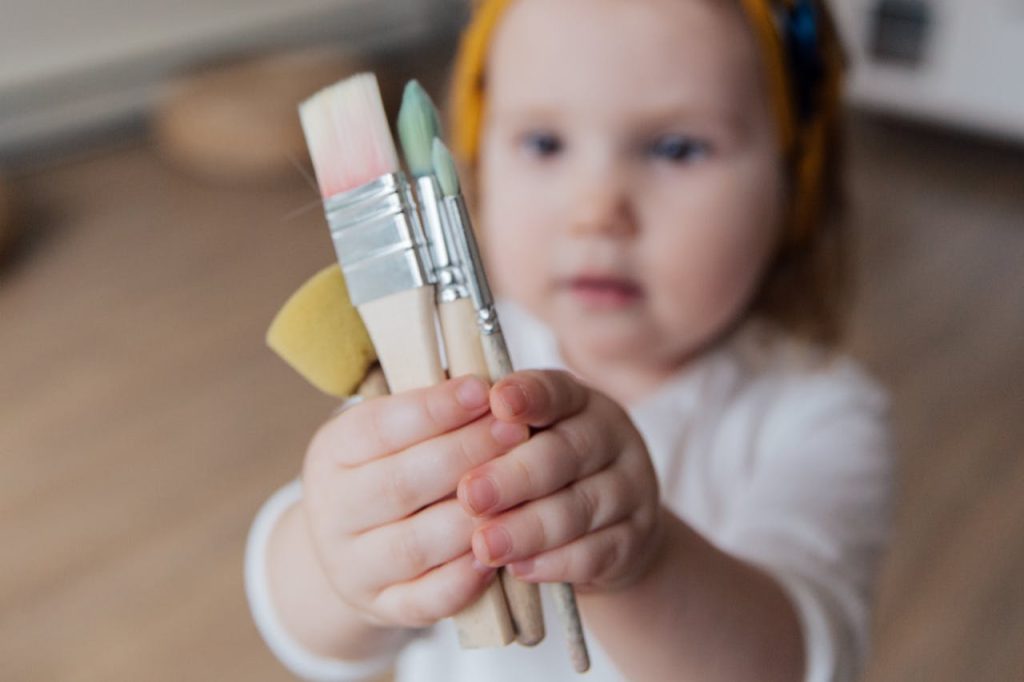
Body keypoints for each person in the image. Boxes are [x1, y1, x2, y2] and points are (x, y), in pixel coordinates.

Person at [245, 0, 892, 680]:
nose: (596, 211)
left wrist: (645, 564)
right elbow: (304, 625)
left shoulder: (819, 417)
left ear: (795, 184)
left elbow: (796, 664)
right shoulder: (435, 365)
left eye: (677, 148)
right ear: (472, 165)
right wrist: (337, 562)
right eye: (545, 143)